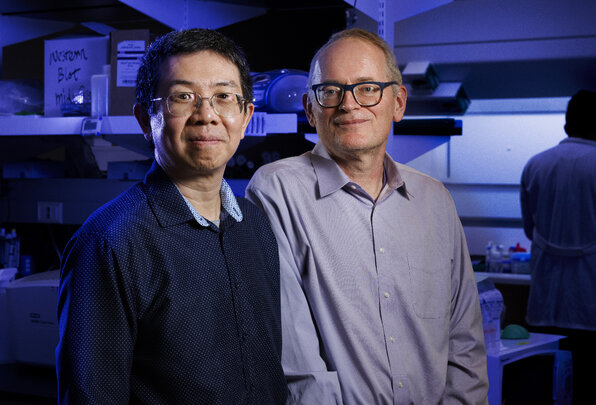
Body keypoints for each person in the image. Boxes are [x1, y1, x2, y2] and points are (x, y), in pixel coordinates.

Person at [246, 28, 488, 404]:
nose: (349, 104)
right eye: (330, 91)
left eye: (368, 88)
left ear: (398, 103)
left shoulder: (435, 200)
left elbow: (465, 345)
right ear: (310, 109)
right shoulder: (277, 191)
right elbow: (297, 364)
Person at [56, 29, 287, 404]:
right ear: (146, 119)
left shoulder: (255, 226)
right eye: (183, 97)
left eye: (224, 97)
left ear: (246, 117)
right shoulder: (110, 243)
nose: (207, 115)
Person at [519, 89, 596, 404]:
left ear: (565, 125)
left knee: (547, 393)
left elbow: (530, 230)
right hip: (595, 310)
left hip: (546, 306)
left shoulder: (535, 166)